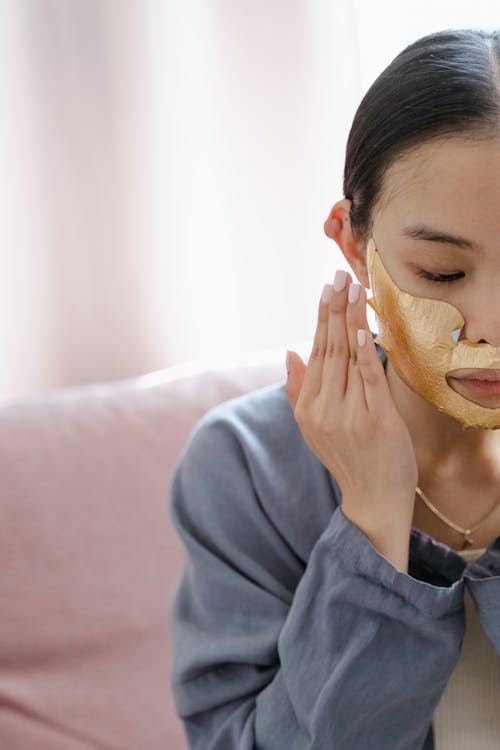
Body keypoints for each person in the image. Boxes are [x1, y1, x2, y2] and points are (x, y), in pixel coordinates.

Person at [169, 28, 500, 749]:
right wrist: (372, 521)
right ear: (354, 245)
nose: (491, 325)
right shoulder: (246, 470)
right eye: (441, 273)